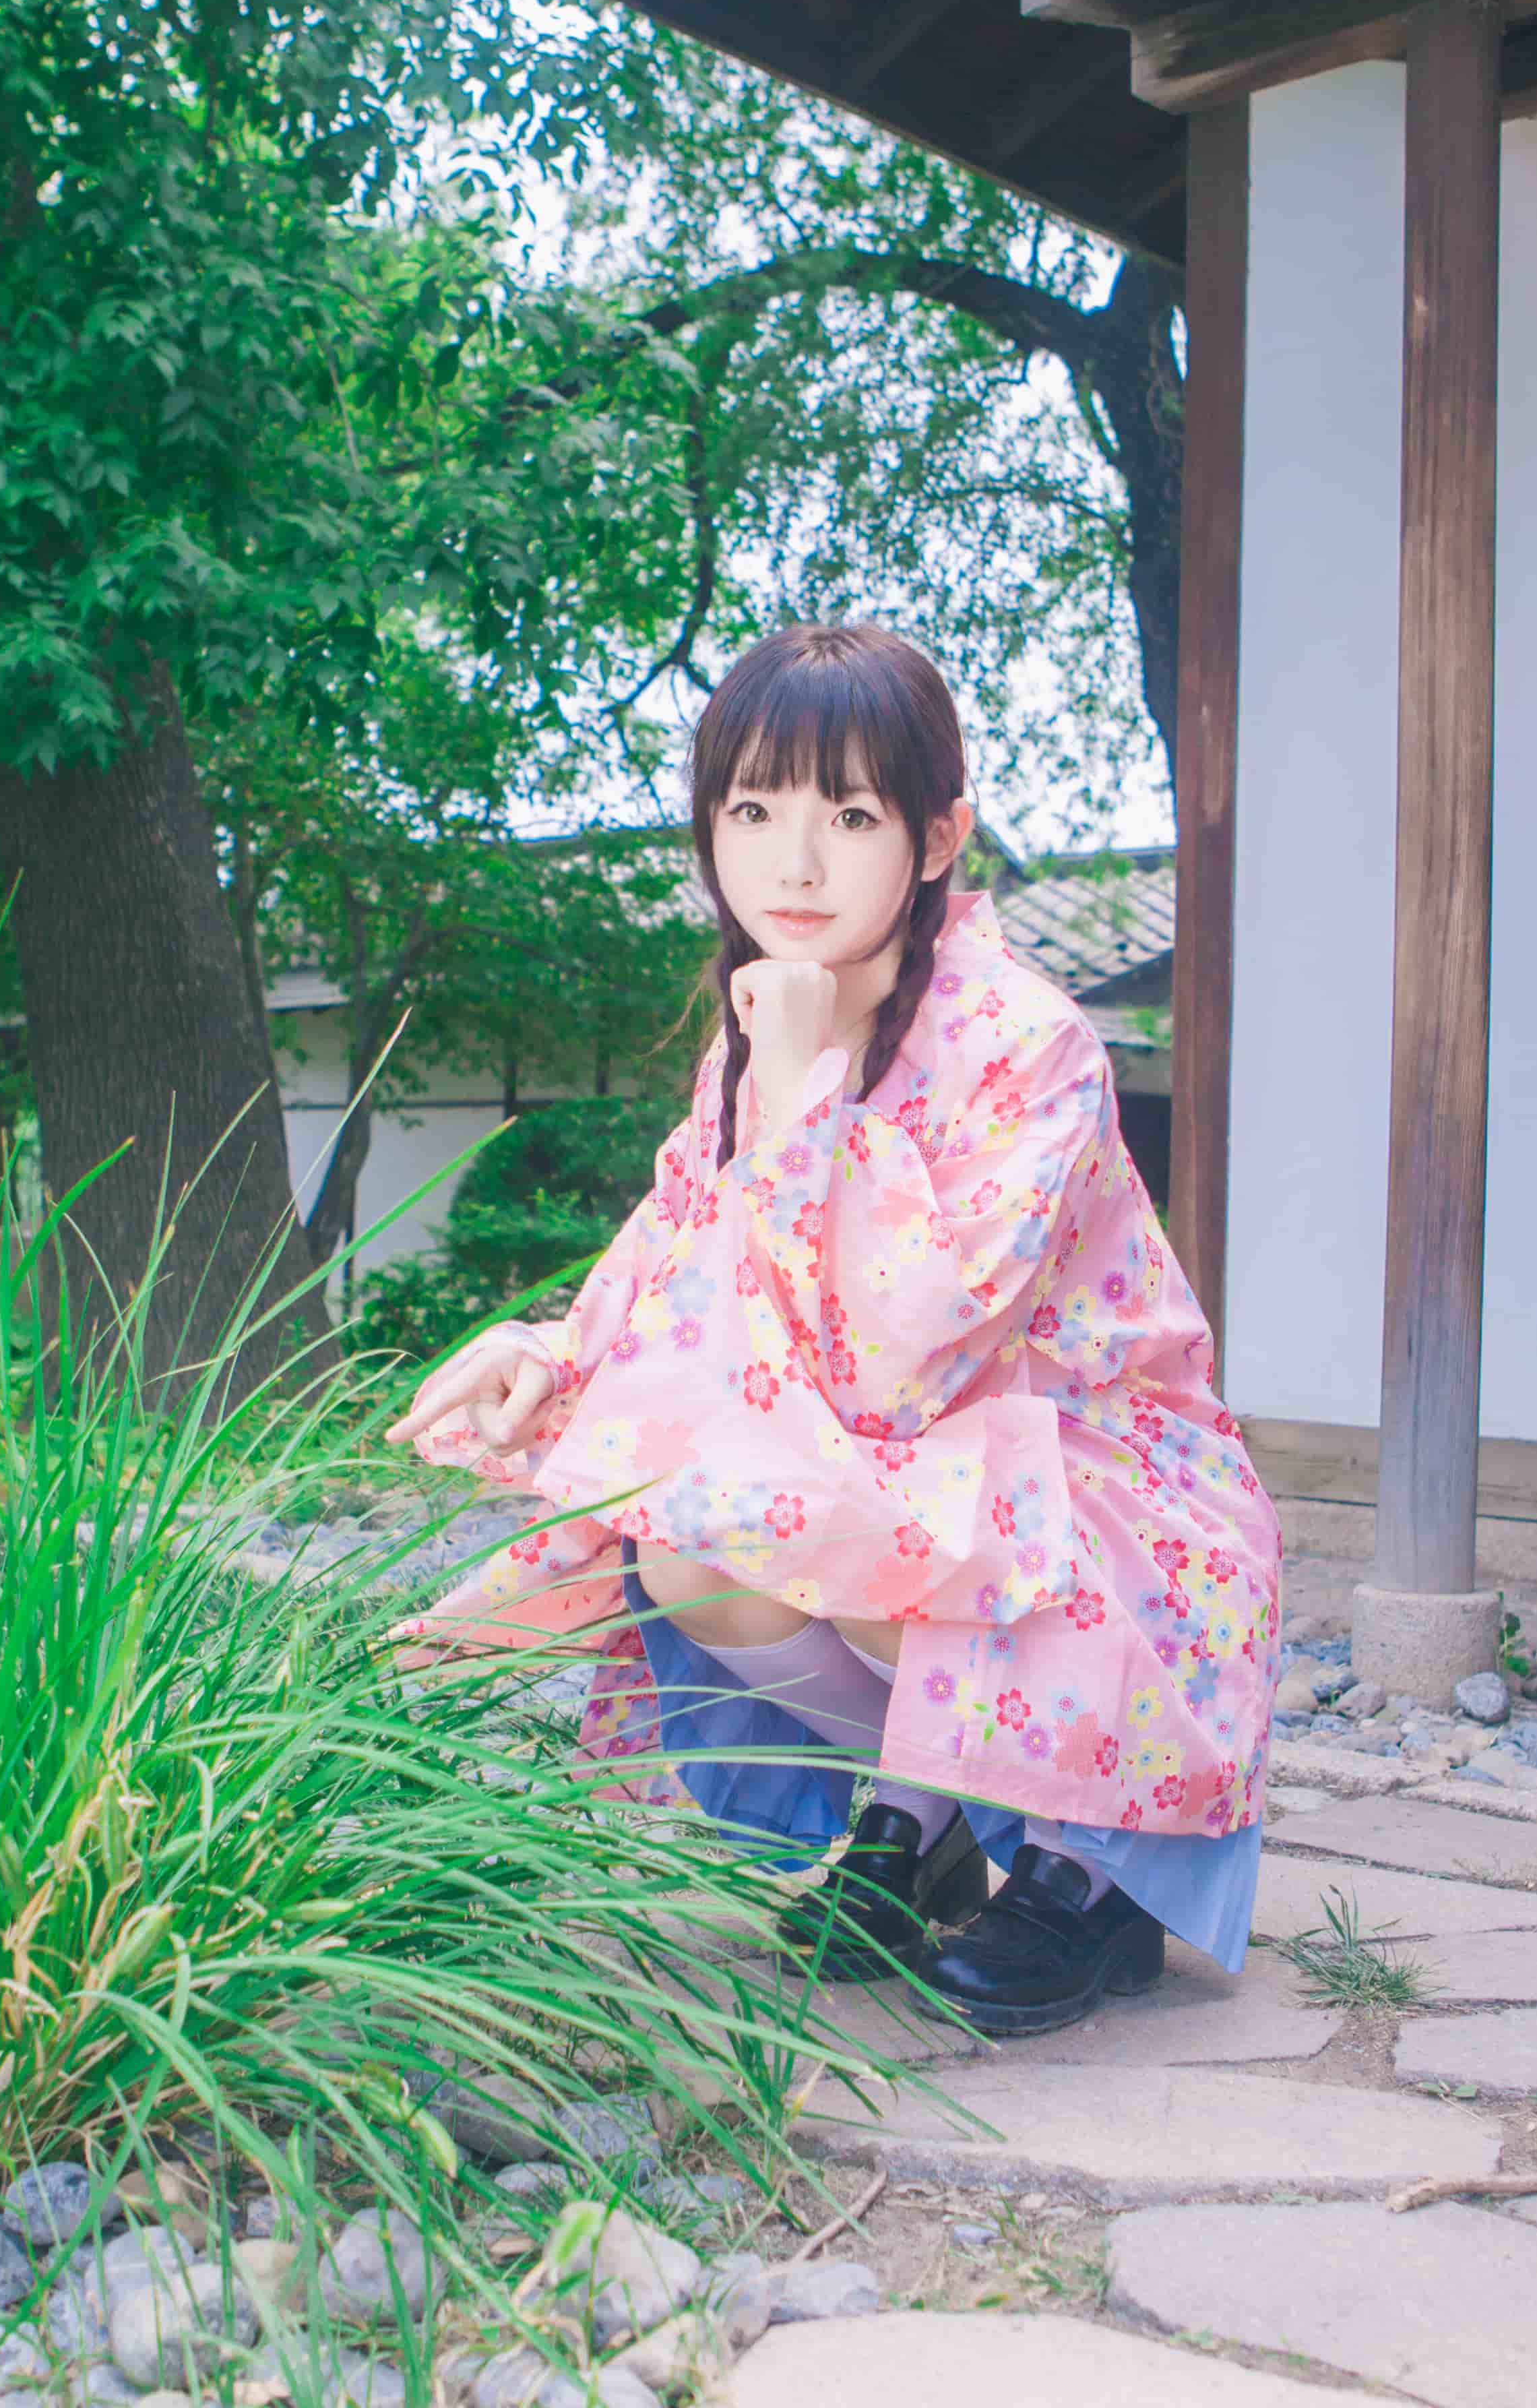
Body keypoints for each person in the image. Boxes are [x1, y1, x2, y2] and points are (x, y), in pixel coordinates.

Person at [385, 621, 1281, 2035]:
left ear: (936, 840)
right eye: (754, 811)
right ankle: (916, 1823)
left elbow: (908, 1352)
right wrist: (557, 1352)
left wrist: (806, 1085)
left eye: (849, 815)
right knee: (688, 1536)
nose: (793, 866)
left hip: (1104, 1493)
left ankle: (1082, 1871)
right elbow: (689, 1234)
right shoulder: (752, 1033)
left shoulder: (1032, 1043)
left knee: (882, 1493)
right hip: (922, 1475)